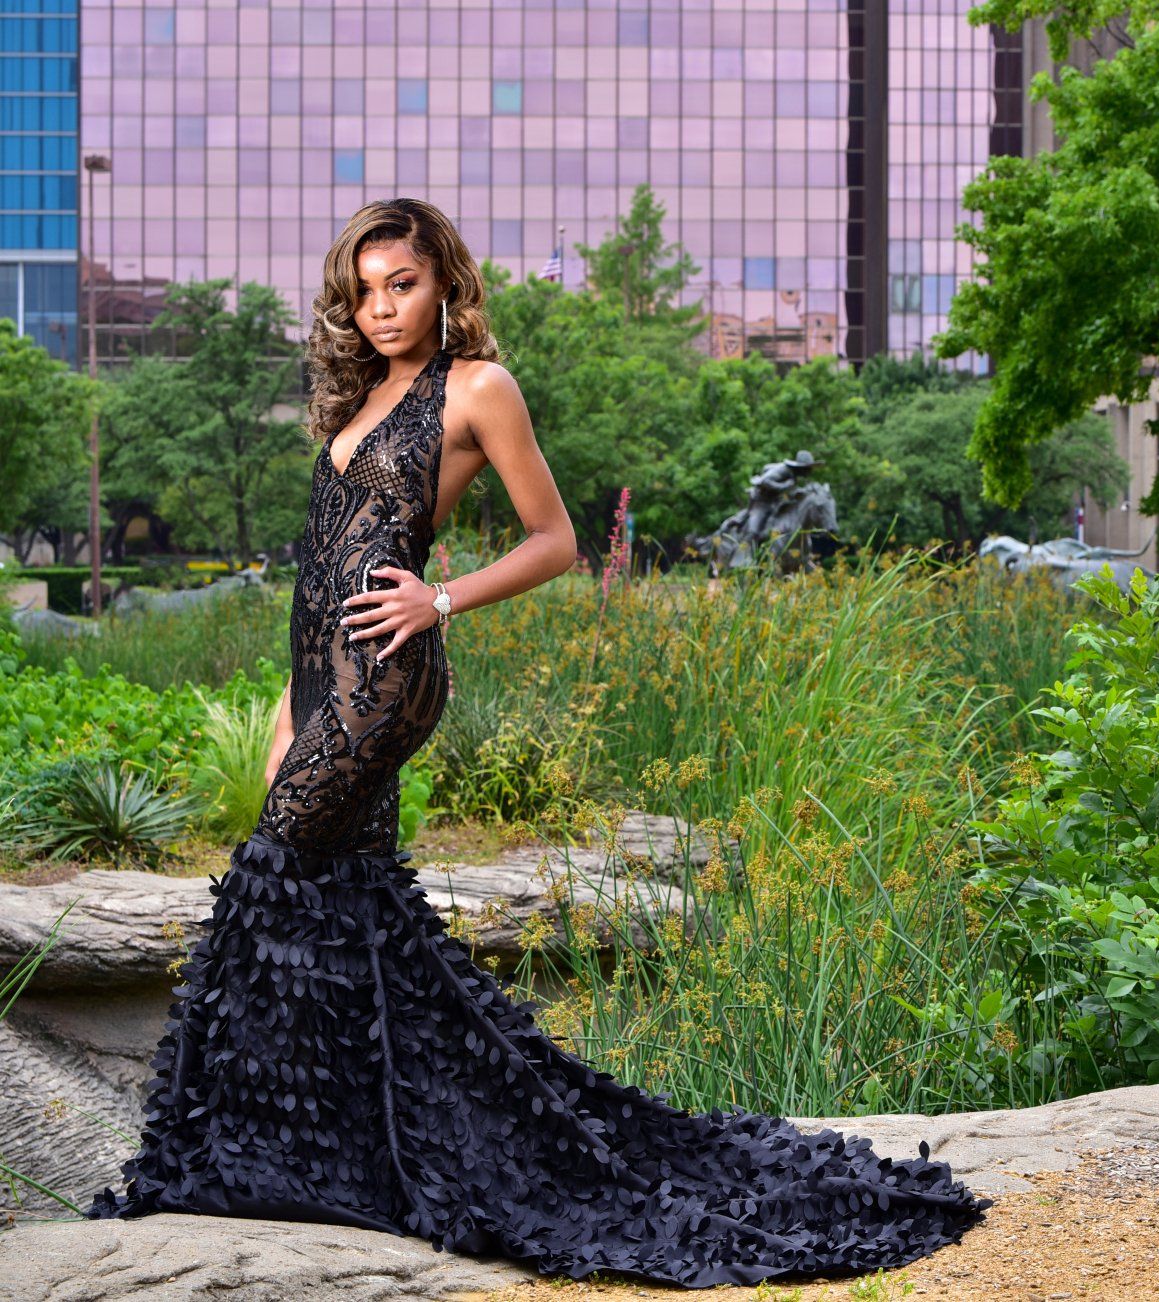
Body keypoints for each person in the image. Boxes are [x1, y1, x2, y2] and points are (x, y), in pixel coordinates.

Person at [85, 198, 992, 1287]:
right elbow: (317, 571)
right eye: (367, 288)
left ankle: (240, 1150)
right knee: (349, 904)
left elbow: (557, 539)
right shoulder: (358, 395)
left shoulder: (477, 388)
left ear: (445, 284)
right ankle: (364, 1150)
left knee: (271, 882)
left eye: (403, 285)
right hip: (321, 684)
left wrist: (442, 602)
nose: (382, 307)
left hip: (390, 676)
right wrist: (289, 710)